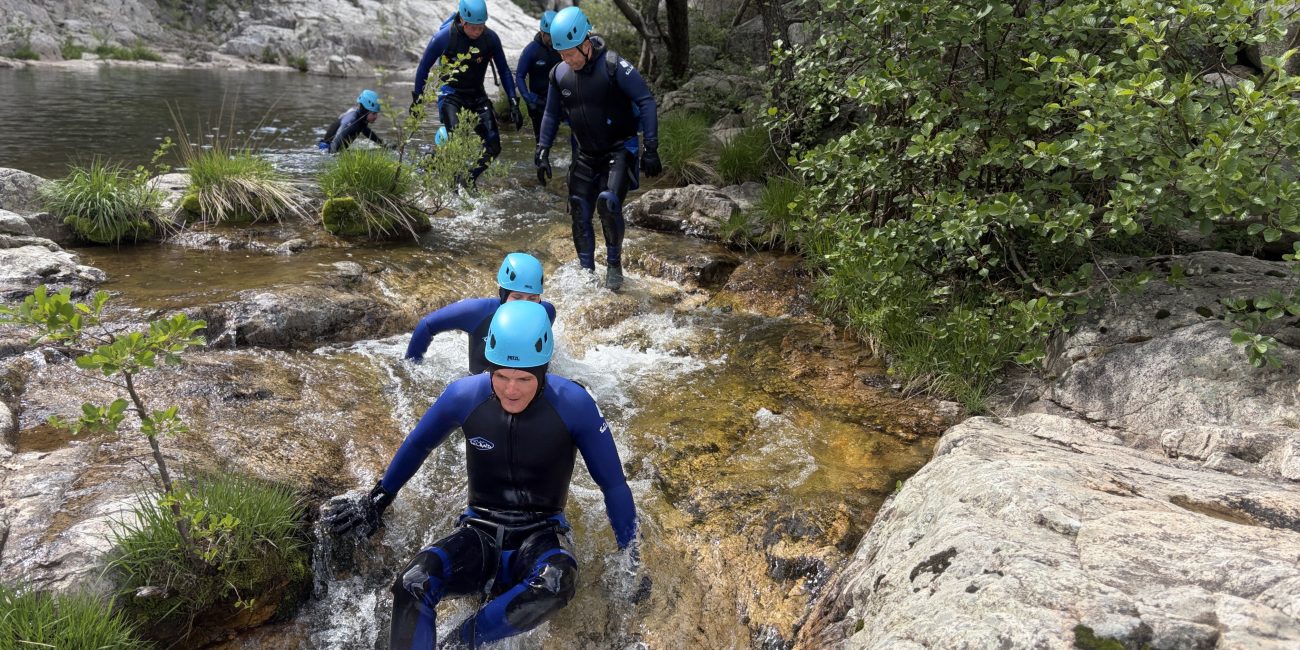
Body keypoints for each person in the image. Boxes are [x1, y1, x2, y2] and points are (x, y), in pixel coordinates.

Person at [328, 300, 638, 649]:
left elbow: (613, 486)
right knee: (412, 583)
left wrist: (631, 560)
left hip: (541, 538)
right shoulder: (463, 395)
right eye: (501, 376)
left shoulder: (575, 405)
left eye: (523, 378)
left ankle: (461, 643)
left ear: (544, 369)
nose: (511, 390)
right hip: (479, 534)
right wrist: (378, 499)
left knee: (556, 584)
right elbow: (418, 445)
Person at [534, 7, 661, 292]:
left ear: (586, 44)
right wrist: (542, 149)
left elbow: (646, 101)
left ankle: (614, 266)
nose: (566, 60)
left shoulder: (615, 67)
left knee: (608, 202)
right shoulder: (559, 74)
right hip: (586, 154)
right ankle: (586, 271)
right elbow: (552, 115)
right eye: (561, 54)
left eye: (571, 53)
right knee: (579, 209)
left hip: (619, 150)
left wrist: (650, 147)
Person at [411, 0, 524, 183]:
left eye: (481, 27)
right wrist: (417, 99)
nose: (478, 31)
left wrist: (513, 102)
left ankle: (467, 180)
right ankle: (449, 183)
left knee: (494, 146)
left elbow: (503, 70)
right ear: (463, 21)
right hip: (451, 96)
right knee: (459, 142)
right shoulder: (444, 38)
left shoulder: (490, 38)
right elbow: (424, 67)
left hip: (477, 97)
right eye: (474, 27)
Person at [404, 252, 557, 375]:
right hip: (482, 384)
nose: (524, 305)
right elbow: (427, 324)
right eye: (517, 297)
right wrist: (411, 368)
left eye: (532, 298)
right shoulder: (476, 312)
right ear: (502, 295)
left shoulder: (546, 312)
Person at [514, 11, 562, 143]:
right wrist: (529, 100)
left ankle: (576, 161)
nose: (552, 40)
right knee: (542, 141)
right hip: (539, 102)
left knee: (578, 130)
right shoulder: (531, 50)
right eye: (549, 36)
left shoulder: (562, 47)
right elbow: (519, 76)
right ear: (542, 32)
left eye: (555, 35)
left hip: (561, 99)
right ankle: (541, 161)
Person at [320, 89, 389, 154]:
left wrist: (383, 145)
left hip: (332, 147)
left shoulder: (360, 117)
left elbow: (365, 130)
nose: (376, 117)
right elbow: (333, 148)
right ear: (365, 111)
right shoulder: (352, 122)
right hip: (326, 150)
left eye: (376, 113)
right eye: (374, 113)